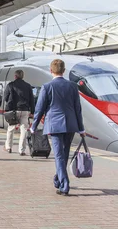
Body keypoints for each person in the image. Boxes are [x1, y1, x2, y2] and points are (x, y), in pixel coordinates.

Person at [30, 59, 85, 196]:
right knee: (64, 154)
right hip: (71, 124)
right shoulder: (72, 86)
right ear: (64, 71)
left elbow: (39, 108)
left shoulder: (47, 87)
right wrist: (81, 128)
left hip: (54, 125)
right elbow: (78, 109)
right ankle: (58, 178)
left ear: (51, 70)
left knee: (59, 155)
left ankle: (64, 185)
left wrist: (34, 126)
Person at [4, 69, 35, 155]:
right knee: (24, 130)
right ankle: (22, 150)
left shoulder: (11, 85)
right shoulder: (28, 86)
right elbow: (32, 100)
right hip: (25, 110)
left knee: (11, 129)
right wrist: (32, 111)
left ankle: (9, 147)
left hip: (13, 111)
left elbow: (5, 98)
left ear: (15, 76)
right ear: (22, 76)